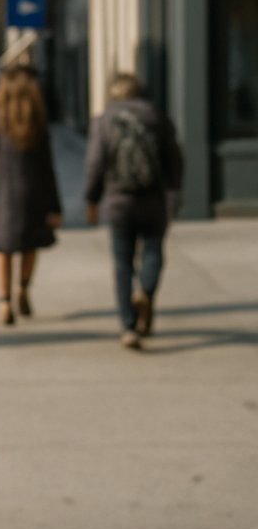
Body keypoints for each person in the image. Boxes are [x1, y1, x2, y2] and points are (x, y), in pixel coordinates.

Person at [84, 72, 185, 349]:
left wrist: (91, 200)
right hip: (153, 199)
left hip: (119, 201)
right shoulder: (156, 116)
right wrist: (174, 192)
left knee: (122, 262)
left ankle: (128, 327)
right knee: (153, 249)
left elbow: (95, 164)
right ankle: (146, 290)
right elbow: (174, 158)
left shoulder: (104, 121)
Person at [0, 67, 62, 326]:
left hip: (1, 195)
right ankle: (23, 288)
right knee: (30, 246)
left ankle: (4, 301)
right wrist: (54, 205)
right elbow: (48, 166)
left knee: (2, 250)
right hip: (34, 194)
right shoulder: (37, 119)